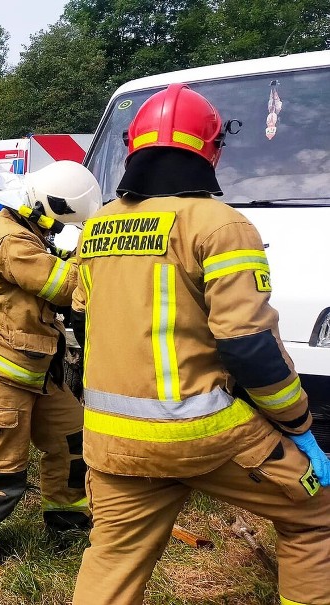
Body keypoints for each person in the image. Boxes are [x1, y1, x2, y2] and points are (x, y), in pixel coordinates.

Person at [70, 83, 330, 605]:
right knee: (315, 517)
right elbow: (249, 345)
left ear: (132, 146)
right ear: (211, 150)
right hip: (205, 434)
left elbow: (82, 322)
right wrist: (299, 425)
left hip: (112, 440)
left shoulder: (97, 226)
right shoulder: (222, 225)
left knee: (114, 557)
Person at [0, 161, 103, 585]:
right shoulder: (13, 242)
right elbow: (68, 287)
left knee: (73, 439)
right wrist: (100, 252)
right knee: (1, 469)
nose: (58, 231)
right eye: (61, 222)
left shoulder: (24, 230)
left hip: (33, 370)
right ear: (44, 209)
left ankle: (67, 520)